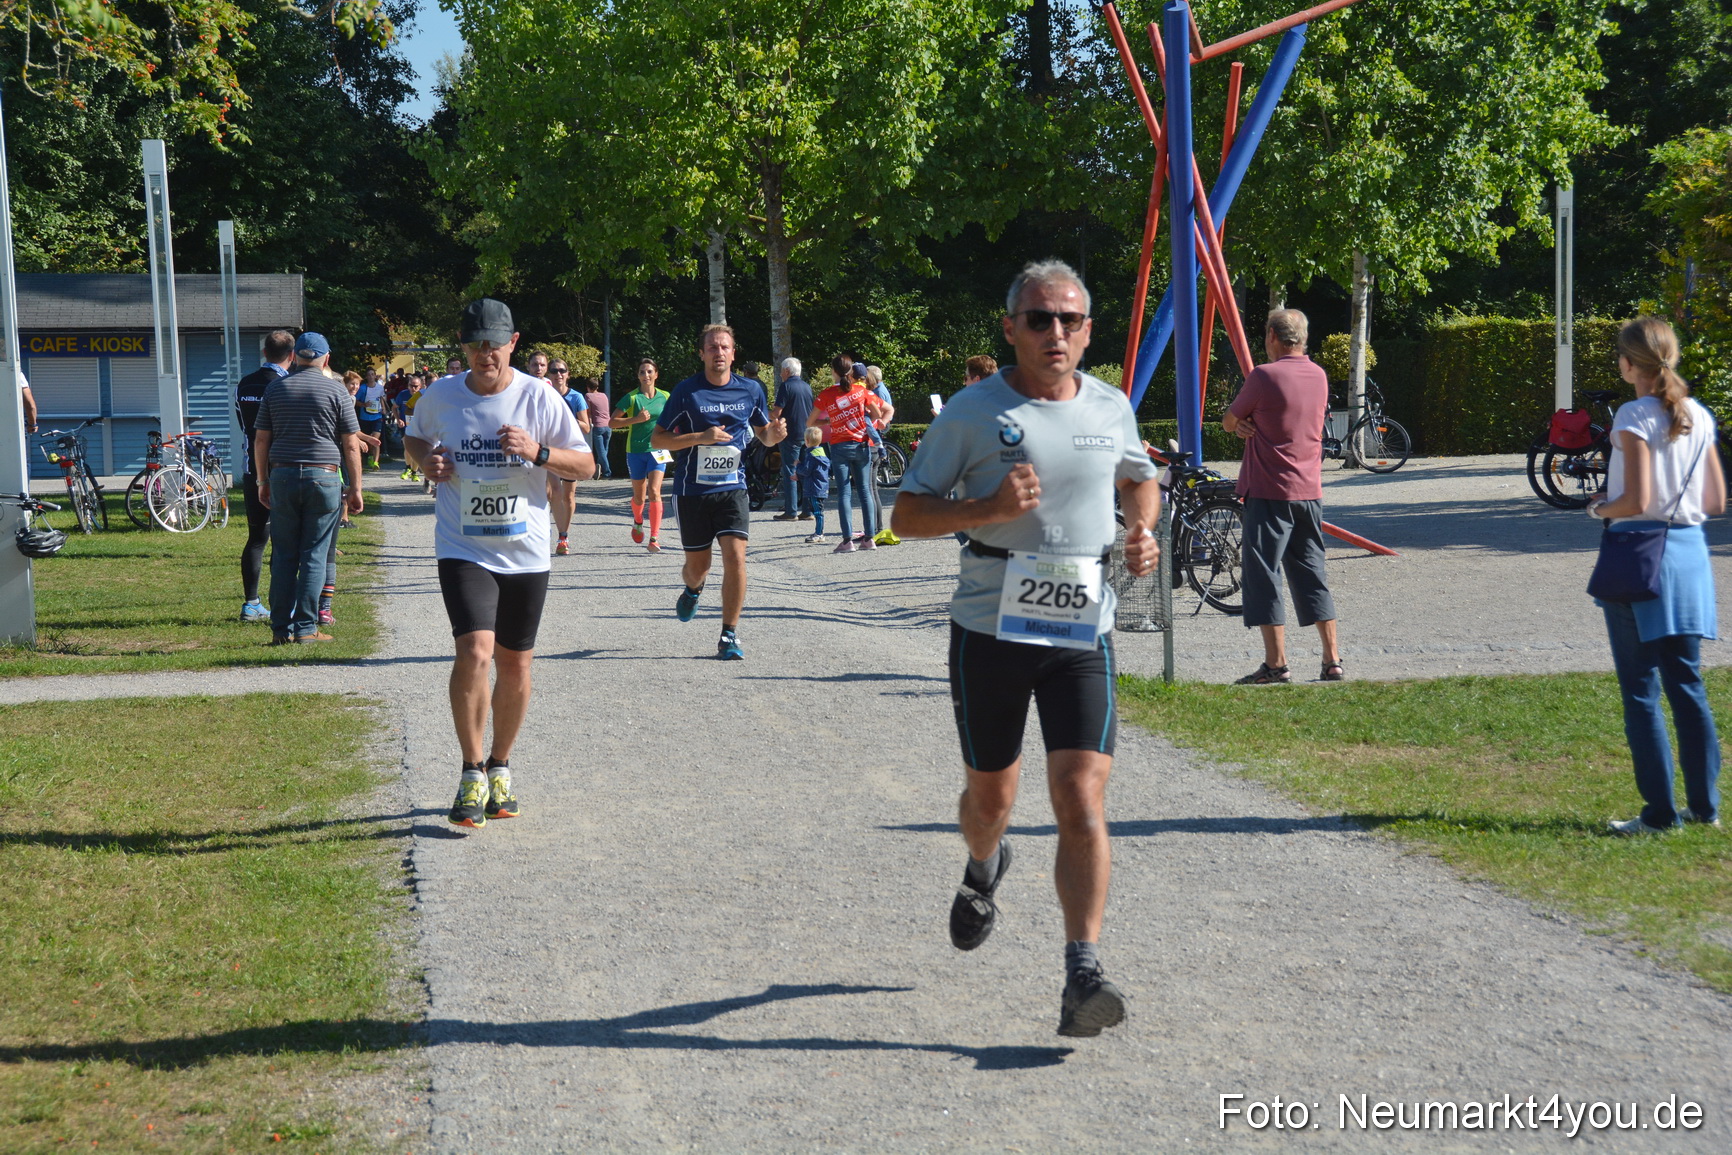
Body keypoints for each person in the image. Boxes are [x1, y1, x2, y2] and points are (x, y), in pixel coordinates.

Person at [891, 259, 1160, 1039]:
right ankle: (984, 866)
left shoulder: (1110, 407)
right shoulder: (973, 413)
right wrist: (987, 505)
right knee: (992, 802)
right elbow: (905, 516)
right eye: (1039, 319)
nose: (1055, 333)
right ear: (1009, 327)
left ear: (1088, 332)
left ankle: (1084, 969)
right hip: (991, 628)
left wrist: (1140, 528)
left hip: (1082, 631)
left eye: (1070, 320)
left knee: (1081, 797)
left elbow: (1139, 479)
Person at [404, 298, 593, 830]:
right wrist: (427, 459)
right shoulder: (441, 395)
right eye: (475, 344)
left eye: (495, 344)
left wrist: (538, 453)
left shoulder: (541, 398)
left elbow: (586, 464)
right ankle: (470, 772)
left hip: (526, 550)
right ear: (463, 346)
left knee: (516, 663)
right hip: (463, 545)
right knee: (475, 650)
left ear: (514, 343)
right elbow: (414, 438)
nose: (485, 354)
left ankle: (501, 765)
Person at [1587, 317, 1724, 835]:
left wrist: (1598, 509)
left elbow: (1635, 501)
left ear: (1628, 365)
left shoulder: (1632, 414)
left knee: (1641, 689)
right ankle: (1705, 807)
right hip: (1691, 555)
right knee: (1688, 684)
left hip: (1639, 556)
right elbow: (1713, 500)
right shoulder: (1699, 416)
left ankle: (1660, 815)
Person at [1222, 309, 1345, 684]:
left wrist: (1240, 424)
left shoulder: (1264, 375)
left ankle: (1276, 665)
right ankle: (1332, 661)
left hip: (1268, 490)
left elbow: (1230, 420)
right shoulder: (1319, 375)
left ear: (1273, 336)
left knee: (1263, 575)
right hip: (1309, 490)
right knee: (1312, 573)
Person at [652, 323, 787, 660]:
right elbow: (658, 439)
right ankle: (693, 589)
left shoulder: (751, 390)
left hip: (733, 488)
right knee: (699, 567)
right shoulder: (687, 391)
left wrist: (775, 434)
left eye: (724, 347)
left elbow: (764, 435)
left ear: (733, 352)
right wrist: (700, 437)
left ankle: (729, 633)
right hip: (692, 491)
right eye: (712, 347)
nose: (719, 353)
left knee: (736, 557)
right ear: (702, 354)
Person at [253, 332, 364, 644]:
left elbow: (261, 439)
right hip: (324, 477)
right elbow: (351, 445)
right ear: (326, 359)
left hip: (283, 476)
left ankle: (279, 630)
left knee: (284, 554)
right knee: (315, 554)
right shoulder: (337, 391)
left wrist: (262, 480)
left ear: (295, 357)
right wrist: (355, 487)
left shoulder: (275, 389)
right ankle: (305, 629)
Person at [235, 329, 296, 623]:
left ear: (264, 352)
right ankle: (282, 604)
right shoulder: (288, 385)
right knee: (284, 540)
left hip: (251, 470)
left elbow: (245, 425)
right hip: (282, 469)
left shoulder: (244, 384)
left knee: (257, 538)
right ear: (292, 355)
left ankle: (251, 603)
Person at [810, 355, 887, 553]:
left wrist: (829, 422)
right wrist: (862, 416)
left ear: (833, 371)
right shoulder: (862, 391)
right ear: (851, 371)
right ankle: (869, 539)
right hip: (861, 445)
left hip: (839, 447)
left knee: (844, 493)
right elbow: (878, 414)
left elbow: (809, 422)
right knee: (865, 491)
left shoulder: (826, 394)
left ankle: (847, 541)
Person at [614, 358, 670, 552]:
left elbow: (676, 417)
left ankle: (654, 537)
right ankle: (638, 520)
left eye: (649, 372)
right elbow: (612, 423)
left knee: (655, 491)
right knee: (640, 497)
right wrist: (636, 419)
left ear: (656, 374)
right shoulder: (631, 398)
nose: (645, 375)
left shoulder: (665, 396)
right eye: (642, 372)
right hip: (636, 451)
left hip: (658, 450)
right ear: (638, 376)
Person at [546, 359, 588, 555]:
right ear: (549, 374)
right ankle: (549, 532)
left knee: (568, 496)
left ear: (568, 374)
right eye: (554, 370)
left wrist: (569, 419)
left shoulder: (576, 397)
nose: (558, 374)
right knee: (551, 492)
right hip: (550, 450)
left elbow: (587, 427)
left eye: (562, 370)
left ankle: (564, 536)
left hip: (570, 451)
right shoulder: (544, 394)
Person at [771, 357, 814, 520]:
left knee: (790, 471)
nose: (781, 374)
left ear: (787, 371)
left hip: (790, 435)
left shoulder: (786, 386)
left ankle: (791, 511)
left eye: (781, 370)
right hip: (807, 434)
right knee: (806, 472)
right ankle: (808, 510)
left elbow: (777, 412)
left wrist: (764, 414)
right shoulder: (806, 387)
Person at [798, 425, 830, 543]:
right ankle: (818, 532)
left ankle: (819, 533)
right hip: (821, 486)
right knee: (818, 510)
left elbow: (805, 471)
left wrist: (798, 465)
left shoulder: (811, 456)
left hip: (814, 487)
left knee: (818, 511)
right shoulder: (822, 454)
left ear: (807, 441)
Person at [355, 369, 386, 468]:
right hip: (365, 417)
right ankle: (369, 457)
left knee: (375, 439)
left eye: (372, 374)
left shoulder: (380, 387)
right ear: (366, 377)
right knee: (368, 440)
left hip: (377, 416)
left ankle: (376, 462)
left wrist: (384, 409)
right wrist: (364, 404)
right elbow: (355, 400)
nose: (371, 376)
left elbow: (381, 398)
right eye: (369, 375)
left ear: (375, 376)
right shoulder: (362, 388)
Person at [583, 376, 612, 479]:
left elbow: (588, 412)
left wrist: (588, 424)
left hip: (598, 426)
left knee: (601, 452)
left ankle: (607, 472)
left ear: (588, 387)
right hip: (608, 425)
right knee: (604, 451)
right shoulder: (604, 395)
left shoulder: (588, 396)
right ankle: (598, 470)